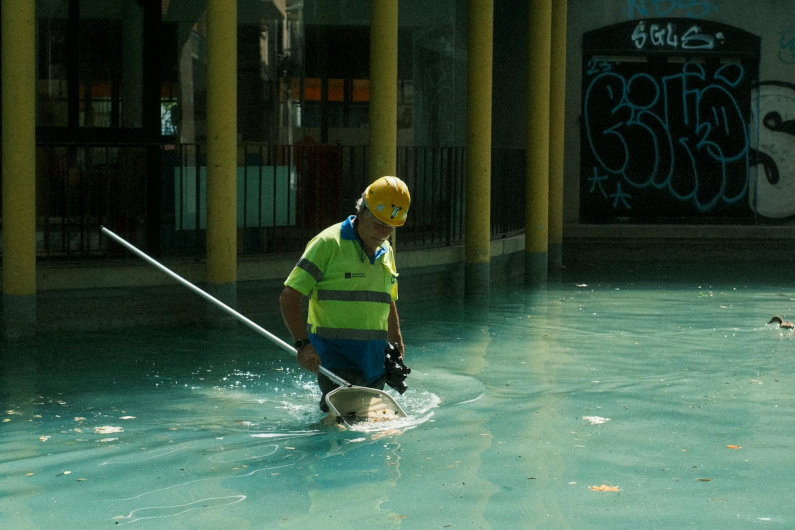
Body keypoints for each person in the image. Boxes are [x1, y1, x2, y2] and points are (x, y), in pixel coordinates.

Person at [279, 176, 410, 411]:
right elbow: (289, 297)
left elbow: (386, 298)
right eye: (379, 223)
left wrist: (396, 338)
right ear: (362, 211)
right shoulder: (328, 244)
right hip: (336, 359)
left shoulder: (386, 250)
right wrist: (303, 344)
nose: (384, 232)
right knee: (345, 418)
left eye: (391, 227)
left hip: (374, 360)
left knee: (365, 425)